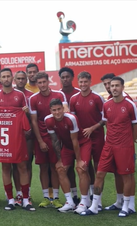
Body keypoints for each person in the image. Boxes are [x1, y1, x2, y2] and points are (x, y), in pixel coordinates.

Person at [81, 77, 137, 217]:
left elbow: (136, 126)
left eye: (117, 86)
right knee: (100, 173)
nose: (114, 88)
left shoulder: (130, 105)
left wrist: (128, 143)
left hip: (124, 147)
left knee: (126, 176)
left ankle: (126, 206)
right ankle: (95, 205)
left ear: (122, 88)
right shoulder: (106, 105)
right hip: (109, 145)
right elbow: (107, 123)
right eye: (112, 86)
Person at [0, 68, 34, 211]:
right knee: (5, 167)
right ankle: (10, 199)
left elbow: (27, 116)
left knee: (22, 167)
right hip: (2, 139)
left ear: (12, 78)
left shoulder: (20, 95)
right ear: (0, 79)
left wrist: (26, 112)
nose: (6, 79)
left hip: (18, 138)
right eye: (3, 77)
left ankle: (25, 199)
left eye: (8, 76)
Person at [29, 72, 69, 209]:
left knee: (55, 166)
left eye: (44, 82)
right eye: (39, 83)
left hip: (57, 138)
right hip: (41, 137)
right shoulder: (33, 98)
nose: (42, 85)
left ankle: (56, 198)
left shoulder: (59, 95)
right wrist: (40, 141)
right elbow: (34, 122)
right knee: (43, 167)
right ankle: (46, 197)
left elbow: (66, 114)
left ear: (48, 82)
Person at [45, 98, 91, 213]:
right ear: (50, 110)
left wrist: (79, 160)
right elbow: (55, 141)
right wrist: (59, 159)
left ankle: (84, 202)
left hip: (82, 144)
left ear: (63, 108)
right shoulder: (48, 120)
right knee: (60, 169)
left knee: (81, 169)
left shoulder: (71, 118)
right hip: (67, 146)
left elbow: (75, 141)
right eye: (54, 110)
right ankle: (69, 202)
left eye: (59, 109)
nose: (57, 112)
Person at [70, 71, 106, 212]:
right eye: (81, 82)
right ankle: (89, 197)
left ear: (90, 82)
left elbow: (105, 118)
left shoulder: (97, 98)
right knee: (84, 166)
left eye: (85, 81)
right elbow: (72, 119)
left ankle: (99, 199)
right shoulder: (74, 99)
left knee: (98, 168)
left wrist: (93, 128)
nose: (83, 84)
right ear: (78, 83)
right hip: (82, 139)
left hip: (96, 136)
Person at [100, 73, 136, 212]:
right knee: (117, 172)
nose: (109, 87)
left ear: (120, 85)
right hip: (113, 143)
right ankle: (120, 201)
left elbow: (135, 123)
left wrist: (129, 141)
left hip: (124, 145)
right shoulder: (110, 100)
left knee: (128, 173)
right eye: (106, 84)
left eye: (112, 84)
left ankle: (130, 204)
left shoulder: (126, 100)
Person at [59, 67, 80, 205]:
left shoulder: (79, 92)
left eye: (67, 77)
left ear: (72, 77)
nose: (65, 79)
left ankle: (89, 195)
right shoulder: (58, 95)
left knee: (84, 166)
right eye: (63, 77)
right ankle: (74, 195)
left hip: (80, 136)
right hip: (64, 138)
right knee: (67, 168)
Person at [13, 71, 34, 205]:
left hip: (28, 135)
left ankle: (28, 192)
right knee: (15, 164)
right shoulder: (11, 94)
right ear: (15, 80)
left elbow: (34, 117)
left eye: (23, 78)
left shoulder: (31, 96)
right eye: (18, 78)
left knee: (27, 163)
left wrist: (29, 129)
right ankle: (18, 193)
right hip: (14, 135)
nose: (21, 81)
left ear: (26, 79)